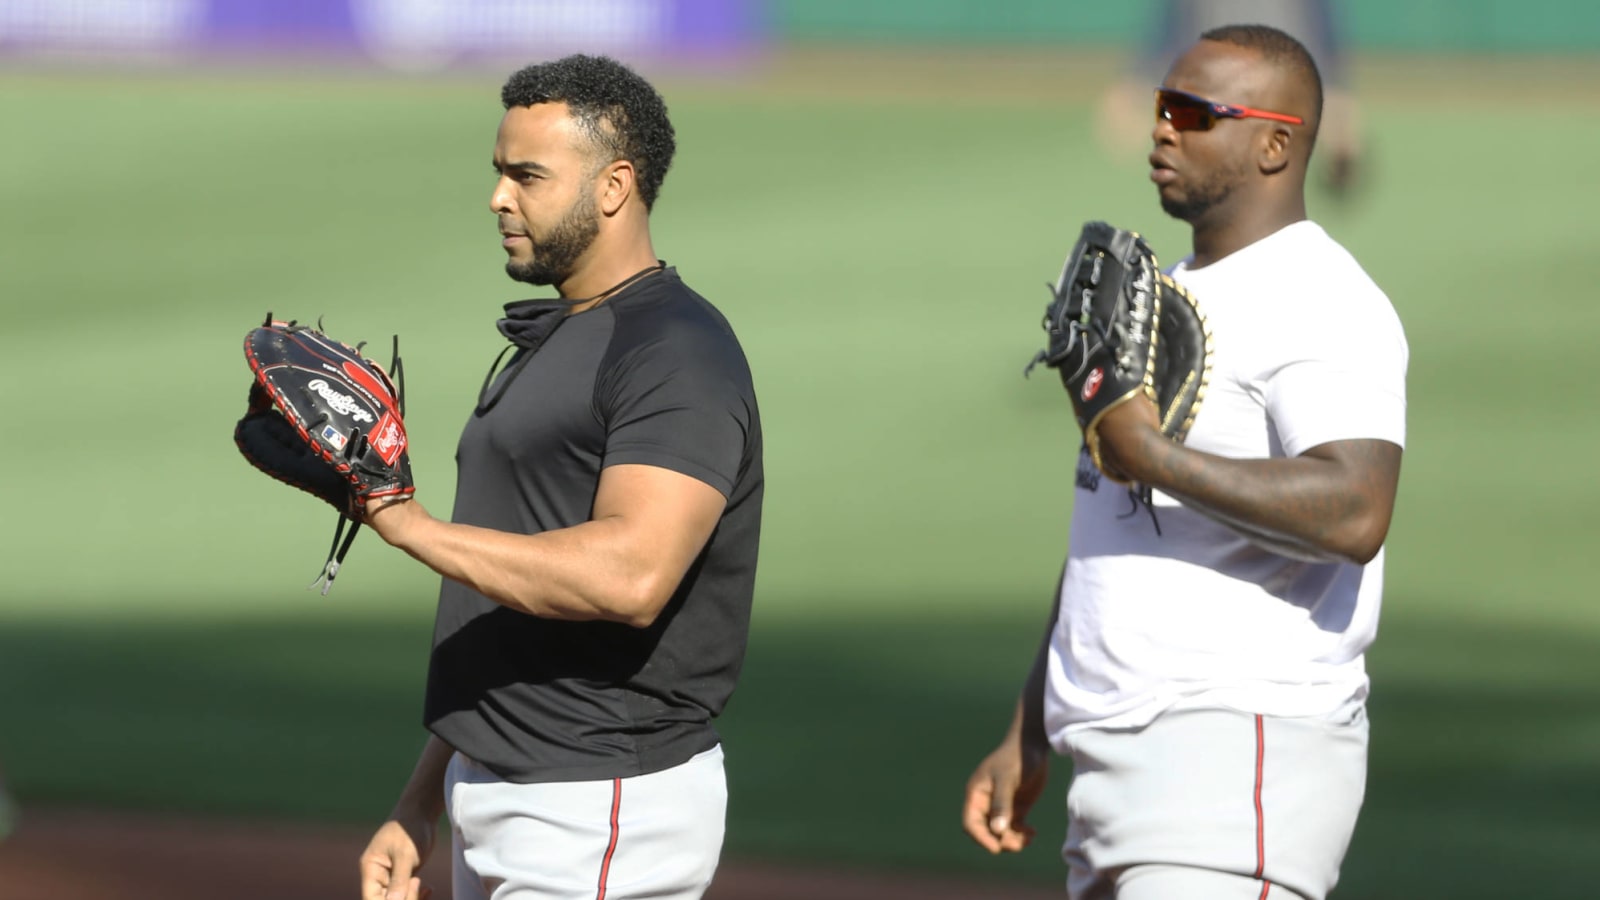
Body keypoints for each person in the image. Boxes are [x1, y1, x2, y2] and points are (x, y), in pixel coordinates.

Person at [963, 24, 1406, 900]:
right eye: (1164, 107)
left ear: (1276, 142)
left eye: (1194, 113)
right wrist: (1031, 723)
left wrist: (1152, 456)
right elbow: (1109, 523)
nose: (1162, 129)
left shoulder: (1319, 300)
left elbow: (1357, 507)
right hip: (1113, 752)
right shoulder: (1163, 294)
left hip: (1237, 749)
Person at [357, 54, 764, 900]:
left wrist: (409, 523)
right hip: (508, 786)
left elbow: (632, 574)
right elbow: (511, 602)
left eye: (527, 176)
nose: (498, 197)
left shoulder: (674, 353)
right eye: (499, 172)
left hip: (598, 805)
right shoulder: (566, 337)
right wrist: (423, 795)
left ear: (614, 186)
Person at [1096, 0, 1365, 198]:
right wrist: (1138, 81)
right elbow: (1174, 25)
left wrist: (1335, 94)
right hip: (1217, 94)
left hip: (1275, 92)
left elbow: (1319, 27)